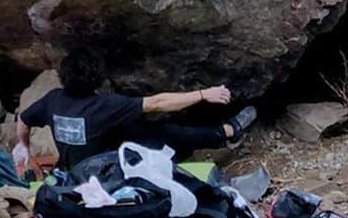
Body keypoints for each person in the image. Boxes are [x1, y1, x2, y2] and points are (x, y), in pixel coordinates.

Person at [13, 48, 257, 173]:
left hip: (72, 170)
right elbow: (157, 103)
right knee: (162, 130)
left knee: (133, 127)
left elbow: (24, 120)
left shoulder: (52, 100)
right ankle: (226, 132)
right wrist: (204, 94)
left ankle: (221, 134)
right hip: (106, 173)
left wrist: (23, 146)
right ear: (97, 78)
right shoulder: (104, 105)